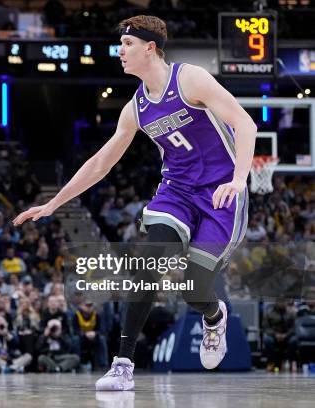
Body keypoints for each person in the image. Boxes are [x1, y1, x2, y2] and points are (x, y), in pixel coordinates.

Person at [14, 15, 256, 391]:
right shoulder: (136, 108)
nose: (120, 51)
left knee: (193, 287)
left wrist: (239, 179)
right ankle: (122, 365)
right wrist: (53, 204)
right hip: (176, 192)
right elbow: (100, 163)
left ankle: (214, 316)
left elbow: (246, 124)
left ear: (149, 48)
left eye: (127, 44)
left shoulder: (189, 78)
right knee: (148, 265)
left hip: (221, 193)